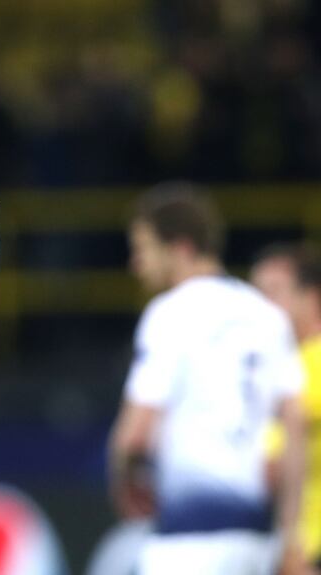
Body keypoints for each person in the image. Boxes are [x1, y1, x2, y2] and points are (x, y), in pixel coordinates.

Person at [108, 186, 307, 575]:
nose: (136, 263)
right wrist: (288, 535)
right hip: (255, 540)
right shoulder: (267, 316)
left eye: (144, 248)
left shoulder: (168, 314)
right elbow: (294, 429)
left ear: (180, 248)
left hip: (188, 541)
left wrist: (121, 478)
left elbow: (135, 433)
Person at [252, 243, 321, 572]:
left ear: (311, 297)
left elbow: (269, 468)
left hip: (307, 549)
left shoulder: (310, 365)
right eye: (257, 294)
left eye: (274, 291)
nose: (262, 306)